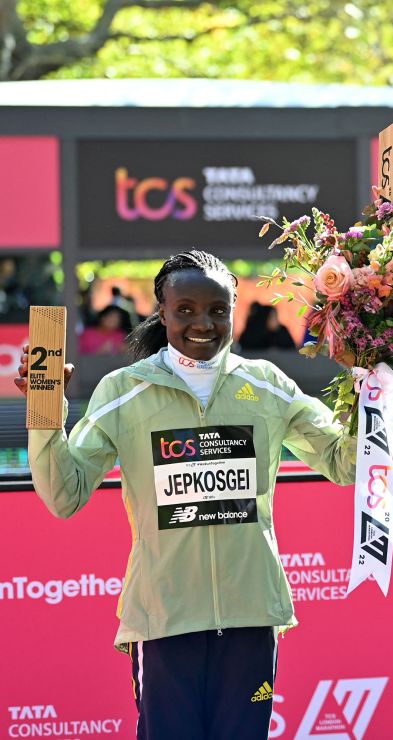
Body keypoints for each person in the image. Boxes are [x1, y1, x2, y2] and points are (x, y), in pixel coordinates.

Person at [15, 250, 355, 740]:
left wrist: (373, 384)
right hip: (163, 621)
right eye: (186, 310)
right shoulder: (124, 391)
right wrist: (46, 415)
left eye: (218, 310)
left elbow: (345, 463)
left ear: (234, 310)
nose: (204, 323)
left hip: (250, 618)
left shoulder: (267, 385)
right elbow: (63, 494)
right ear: (162, 311)